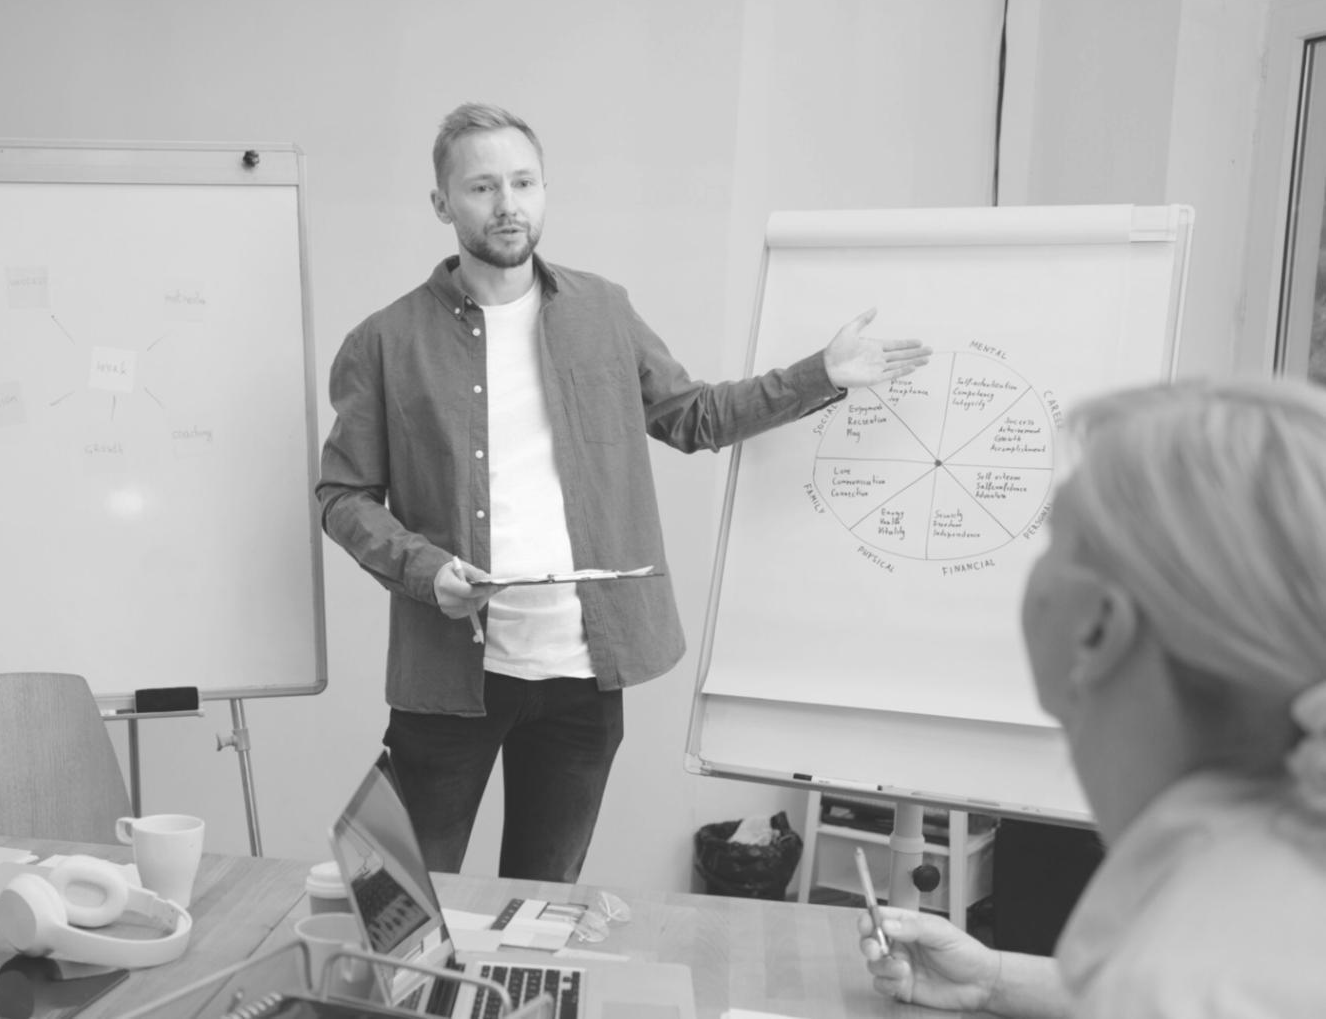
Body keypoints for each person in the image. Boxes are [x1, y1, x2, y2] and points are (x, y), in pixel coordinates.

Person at [316, 102, 930, 883]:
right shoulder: (384, 340)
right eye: (480, 187)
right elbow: (342, 494)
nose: (506, 204)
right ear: (442, 205)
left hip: (580, 679)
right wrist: (422, 567)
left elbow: (692, 415)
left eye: (522, 182)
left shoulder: (603, 310)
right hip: (449, 679)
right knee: (397, 899)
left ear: (543, 191)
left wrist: (820, 375)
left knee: (540, 906)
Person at [856, 379, 1326, 1017]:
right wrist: (994, 981)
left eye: (1053, 539)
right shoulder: (1267, 880)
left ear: (1098, 629)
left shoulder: (1182, 980)